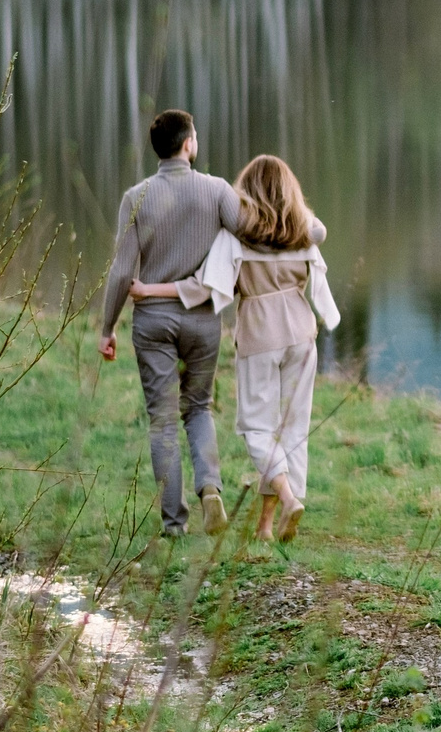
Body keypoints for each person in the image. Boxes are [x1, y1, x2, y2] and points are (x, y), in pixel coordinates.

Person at [136, 155, 337, 542]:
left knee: (257, 429)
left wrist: (149, 289)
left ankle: (287, 498)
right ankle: (266, 525)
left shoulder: (236, 237)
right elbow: (319, 232)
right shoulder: (304, 231)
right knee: (293, 429)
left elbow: (203, 288)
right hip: (301, 334)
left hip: (261, 336)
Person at [98, 109, 239, 537]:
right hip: (202, 320)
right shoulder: (217, 191)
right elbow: (248, 235)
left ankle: (174, 524)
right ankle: (209, 487)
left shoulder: (135, 197)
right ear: (189, 144)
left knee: (162, 421)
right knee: (198, 408)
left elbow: (122, 270)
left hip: (153, 321)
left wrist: (107, 328)